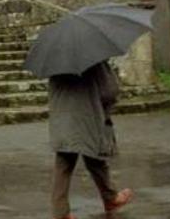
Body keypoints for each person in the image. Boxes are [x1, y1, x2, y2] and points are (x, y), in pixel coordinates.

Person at [48, 61, 133, 219]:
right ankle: (110, 198)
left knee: (65, 163)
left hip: (62, 118)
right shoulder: (95, 61)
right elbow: (109, 91)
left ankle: (61, 212)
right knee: (94, 156)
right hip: (87, 116)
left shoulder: (56, 63)